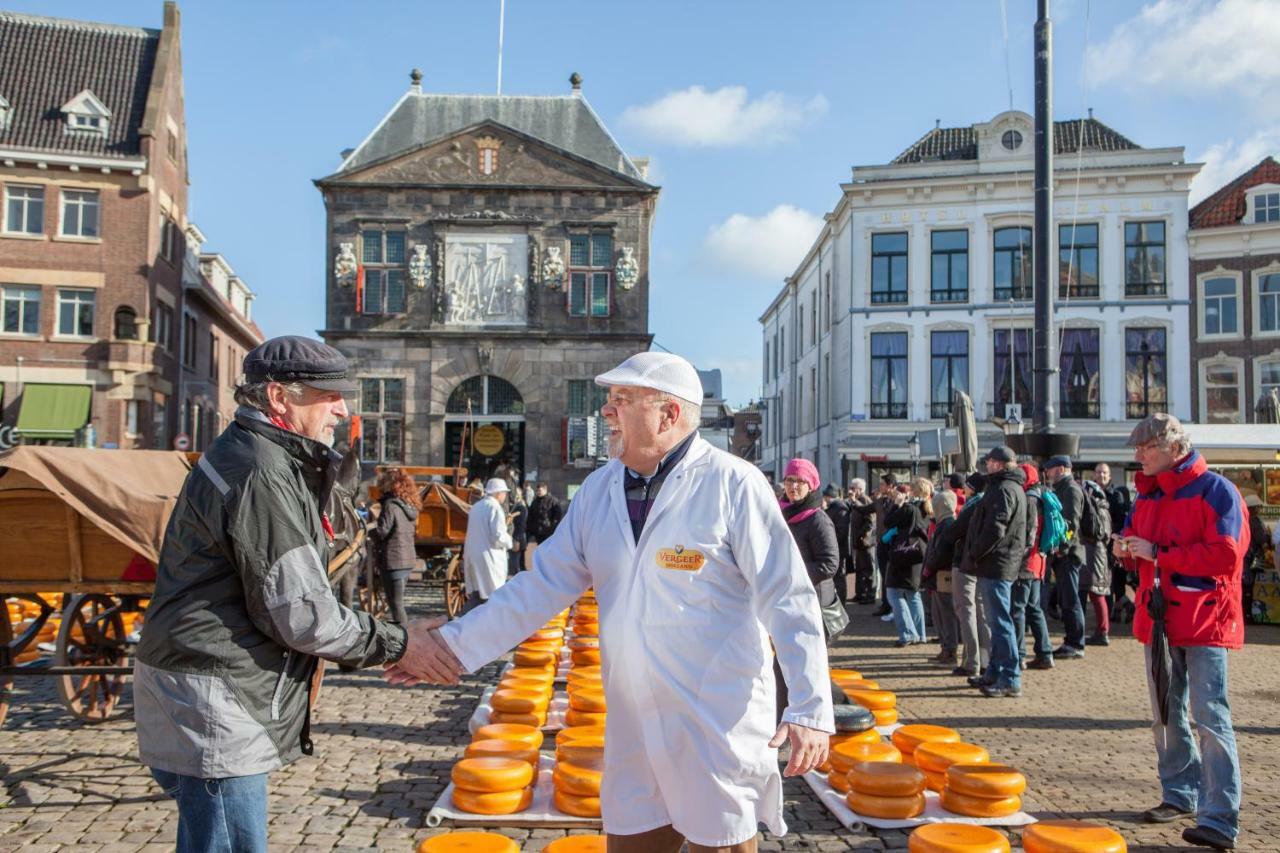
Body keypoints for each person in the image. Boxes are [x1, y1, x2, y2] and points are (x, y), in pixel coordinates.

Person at [387, 352, 833, 852]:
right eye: (609, 400)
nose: (606, 412)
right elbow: (539, 587)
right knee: (632, 842)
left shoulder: (732, 484)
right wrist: (451, 646)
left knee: (721, 841)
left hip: (713, 723)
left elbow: (788, 596)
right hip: (632, 723)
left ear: (669, 414)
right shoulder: (599, 490)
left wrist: (811, 705)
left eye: (622, 400)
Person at [133, 336, 438, 853]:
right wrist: (400, 642)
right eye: (329, 395)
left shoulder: (257, 455)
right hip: (215, 694)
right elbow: (304, 614)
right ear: (279, 397)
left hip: (209, 685)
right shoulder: (261, 471)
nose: (342, 408)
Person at [1114, 414, 1247, 851]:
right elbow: (1140, 545)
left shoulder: (1217, 491)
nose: (1138, 456)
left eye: (1145, 448)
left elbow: (1226, 556)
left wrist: (1159, 553)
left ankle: (1220, 816)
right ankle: (1179, 795)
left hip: (1205, 619)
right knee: (1166, 715)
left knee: (1211, 717)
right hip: (1160, 621)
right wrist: (1127, 550)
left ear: (1173, 447)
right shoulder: (1148, 495)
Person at [779, 460, 841, 720]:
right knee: (784, 666)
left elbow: (830, 563)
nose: (794, 486)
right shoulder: (781, 512)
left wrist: (795, 574)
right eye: (790, 480)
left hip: (815, 602)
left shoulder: (817, 519)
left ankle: (813, 723)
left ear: (811, 485)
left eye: (800, 481)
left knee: (808, 667)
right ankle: (783, 720)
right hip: (789, 599)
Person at [965, 447, 1028, 698]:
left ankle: (1010, 677)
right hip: (998, 561)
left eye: (990, 462)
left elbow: (995, 528)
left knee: (1000, 621)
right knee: (996, 620)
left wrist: (975, 553)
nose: (987, 465)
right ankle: (995, 669)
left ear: (999, 465)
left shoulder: (1004, 489)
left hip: (997, 563)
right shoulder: (1006, 487)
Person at [937, 471, 990, 678]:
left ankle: (972, 661)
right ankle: (982, 659)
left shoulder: (973, 505)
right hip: (977, 564)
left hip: (966, 563)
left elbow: (953, 533)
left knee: (966, 611)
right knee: (979, 611)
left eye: (967, 486)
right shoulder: (984, 504)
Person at [1045, 454, 1088, 659]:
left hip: (1069, 554)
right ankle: (1072, 640)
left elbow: (1071, 523)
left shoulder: (1070, 490)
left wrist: (1062, 547)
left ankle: (1076, 643)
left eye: (1051, 469)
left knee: (1071, 600)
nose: (1048, 473)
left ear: (1061, 469)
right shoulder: (1063, 489)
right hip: (1065, 553)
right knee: (1066, 598)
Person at [1013, 463, 1055, 671]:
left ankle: (1020, 654)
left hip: (1027, 561)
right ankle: (1044, 653)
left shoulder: (1030, 497)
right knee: (1033, 608)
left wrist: (1019, 557)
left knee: (1018, 609)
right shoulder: (1041, 493)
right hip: (1038, 561)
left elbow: (1029, 532)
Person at [883, 484, 930, 647]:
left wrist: (896, 504)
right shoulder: (926, 508)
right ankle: (920, 633)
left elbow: (887, 521)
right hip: (916, 557)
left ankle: (909, 633)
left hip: (902, 555)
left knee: (893, 594)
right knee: (913, 595)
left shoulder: (907, 509)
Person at [373, 467, 421, 625]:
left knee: (396, 605)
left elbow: (382, 532)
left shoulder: (390, 505)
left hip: (393, 560)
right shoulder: (409, 506)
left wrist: (369, 530)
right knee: (397, 603)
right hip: (406, 561)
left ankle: (405, 640)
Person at [461, 478, 514, 612]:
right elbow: (498, 536)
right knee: (492, 595)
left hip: (474, 555)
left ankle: (462, 621)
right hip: (489, 557)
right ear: (498, 493)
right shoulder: (495, 508)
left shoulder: (476, 507)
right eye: (504, 493)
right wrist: (509, 541)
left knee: (478, 594)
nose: (505, 496)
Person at [922, 489, 961, 666]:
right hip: (938, 574)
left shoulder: (947, 525)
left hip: (942, 575)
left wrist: (929, 567)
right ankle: (946, 648)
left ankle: (950, 650)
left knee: (946, 615)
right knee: (941, 614)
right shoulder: (944, 523)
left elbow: (942, 552)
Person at [1094, 463, 1133, 618]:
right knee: (1108, 583)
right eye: (1098, 472)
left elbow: (1120, 522)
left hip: (1112, 547)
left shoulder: (1117, 496)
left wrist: (1110, 537)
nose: (1101, 475)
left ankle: (1123, 608)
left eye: (1104, 472)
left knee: (1114, 583)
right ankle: (1116, 613)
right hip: (1098, 547)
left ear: (1109, 476)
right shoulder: (1092, 494)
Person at [1081, 478, 1114, 646]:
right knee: (1096, 592)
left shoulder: (1098, 509)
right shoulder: (1103, 509)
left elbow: (1100, 533)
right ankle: (1102, 631)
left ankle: (1102, 631)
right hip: (1097, 554)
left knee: (1097, 593)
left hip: (1096, 555)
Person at [846, 479, 878, 604]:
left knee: (868, 568)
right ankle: (860, 593)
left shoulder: (865, 500)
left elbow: (871, 521)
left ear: (859, 489)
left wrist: (863, 536)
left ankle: (870, 594)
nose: (851, 490)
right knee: (859, 568)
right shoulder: (856, 502)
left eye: (853, 488)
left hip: (866, 542)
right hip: (858, 541)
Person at [872, 475, 899, 618]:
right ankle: (885, 604)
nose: (880, 487)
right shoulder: (880, 501)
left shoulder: (898, 501)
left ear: (891, 486)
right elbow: (866, 509)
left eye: (882, 484)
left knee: (891, 575)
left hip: (893, 543)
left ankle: (892, 606)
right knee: (883, 575)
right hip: (882, 543)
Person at [822, 484, 853, 603]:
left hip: (839, 548)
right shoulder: (834, 508)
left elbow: (841, 531)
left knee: (839, 577)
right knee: (837, 577)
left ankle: (841, 603)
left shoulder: (839, 508)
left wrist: (830, 542)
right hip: (836, 548)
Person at [525, 481, 563, 570]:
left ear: (545, 489)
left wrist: (553, 527)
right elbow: (531, 516)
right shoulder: (535, 502)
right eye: (537, 491)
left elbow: (558, 515)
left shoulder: (553, 500)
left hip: (549, 532)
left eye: (540, 491)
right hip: (538, 532)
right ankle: (543, 568)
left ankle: (551, 568)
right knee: (541, 551)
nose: (538, 492)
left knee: (550, 551)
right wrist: (531, 528)